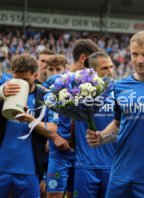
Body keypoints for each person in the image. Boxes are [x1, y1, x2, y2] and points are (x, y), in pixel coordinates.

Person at [86, 31, 144, 197]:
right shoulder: (121, 86)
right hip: (120, 174)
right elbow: (117, 124)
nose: (139, 60)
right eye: (135, 54)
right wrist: (101, 137)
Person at [0, 54, 69, 197]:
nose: (20, 83)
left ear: (35, 75)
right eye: (16, 78)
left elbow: (52, 130)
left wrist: (30, 120)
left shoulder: (45, 97)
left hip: (30, 170)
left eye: (25, 80)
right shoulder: (5, 89)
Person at [45, 39, 100, 198]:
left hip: (82, 152)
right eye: (92, 61)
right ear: (83, 58)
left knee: (75, 194)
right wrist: (54, 136)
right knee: (54, 195)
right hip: (60, 151)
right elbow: (46, 108)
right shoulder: (57, 81)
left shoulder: (95, 85)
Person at [73, 52, 116, 197]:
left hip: (113, 166)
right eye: (105, 68)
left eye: (111, 67)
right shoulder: (77, 93)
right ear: (92, 72)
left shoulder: (121, 92)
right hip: (85, 166)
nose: (110, 71)